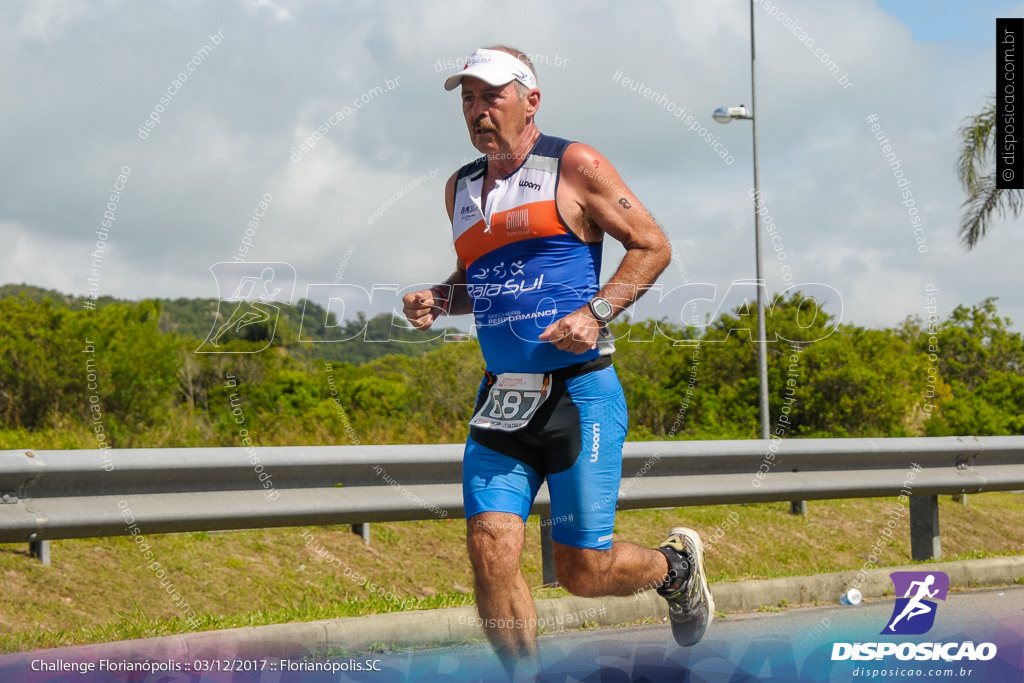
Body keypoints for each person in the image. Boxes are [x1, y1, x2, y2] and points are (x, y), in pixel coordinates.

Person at [402, 46, 713, 675]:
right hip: (503, 399)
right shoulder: (460, 188)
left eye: (491, 95)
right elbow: (479, 280)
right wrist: (440, 296)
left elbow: (651, 245)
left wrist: (595, 312)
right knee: (490, 547)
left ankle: (674, 569)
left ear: (530, 100)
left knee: (582, 570)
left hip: (579, 393)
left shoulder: (574, 165)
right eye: (467, 98)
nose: (477, 110)